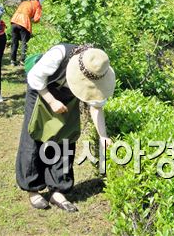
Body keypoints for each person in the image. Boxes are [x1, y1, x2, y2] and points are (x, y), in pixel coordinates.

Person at [16, 44, 115, 211]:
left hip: (67, 100)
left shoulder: (98, 69)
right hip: (41, 91)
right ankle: (33, 188)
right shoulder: (59, 55)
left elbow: (96, 106)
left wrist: (103, 136)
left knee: (65, 138)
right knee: (35, 135)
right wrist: (52, 101)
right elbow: (34, 77)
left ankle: (58, 189)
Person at [10, 0, 43, 66]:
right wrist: (32, 20)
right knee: (24, 42)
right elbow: (36, 19)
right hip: (24, 23)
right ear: (39, 0)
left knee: (14, 42)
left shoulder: (24, 2)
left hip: (14, 21)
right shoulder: (38, 5)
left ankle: (12, 60)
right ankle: (22, 60)